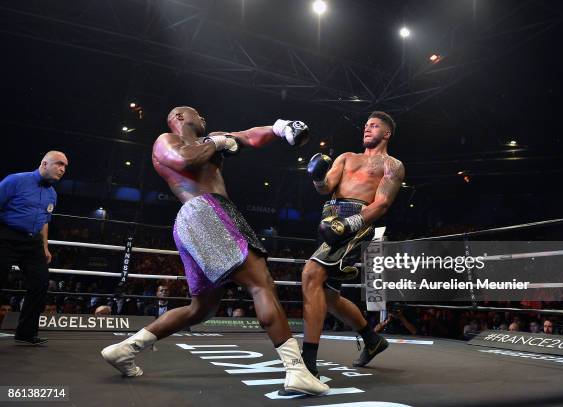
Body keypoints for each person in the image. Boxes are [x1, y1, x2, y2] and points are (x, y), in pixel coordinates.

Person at [102, 106, 328, 395]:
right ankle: (297, 370)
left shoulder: (211, 139)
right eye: (197, 114)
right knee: (262, 284)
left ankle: (125, 349)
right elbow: (186, 160)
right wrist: (217, 143)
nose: (204, 118)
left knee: (201, 309)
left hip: (197, 220)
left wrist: (280, 128)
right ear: (180, 118)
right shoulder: (167, 141)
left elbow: (247, 136)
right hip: (206, 210)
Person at [301, 111, 405, 376]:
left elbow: (381, 203)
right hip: (329, 218)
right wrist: (316, 176)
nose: (367, 129)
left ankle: (307, 364)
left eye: (374, 126)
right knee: (329, 297)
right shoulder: (346, 157)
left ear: (387, 133)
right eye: (366, 125)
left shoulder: (392, 165)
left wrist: (350, 224)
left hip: (357, 221)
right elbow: (325, 188)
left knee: (311, 275)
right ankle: (372, 340)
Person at [0, 151, 68, 345]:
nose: (62, 169)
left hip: (32, 242)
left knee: (40, 282)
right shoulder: (15, 180)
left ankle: (26, 332)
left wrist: (45, 246)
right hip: (6, 236)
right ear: (44, 163)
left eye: (65, 167)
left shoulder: (52, 193)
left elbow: (44, 221)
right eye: (59, 164)